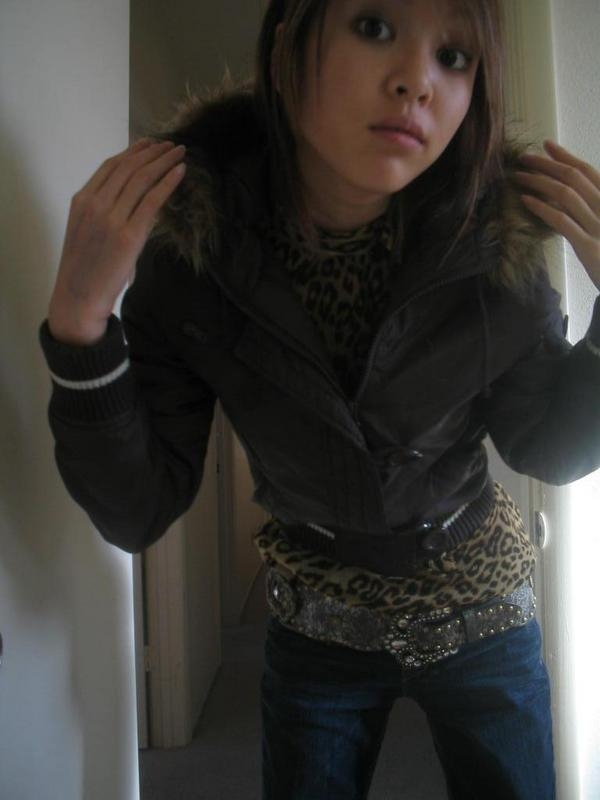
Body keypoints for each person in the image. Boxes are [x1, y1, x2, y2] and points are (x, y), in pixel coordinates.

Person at [40, 0, 600, 798]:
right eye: (374, 27)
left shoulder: (496, 248)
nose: (417, 81)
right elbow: (139, 508)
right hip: (317, 620)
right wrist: (79, 328)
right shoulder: (192, 256)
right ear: (284, 53)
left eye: (454, 57)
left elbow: (545, 444)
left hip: (482, 609)